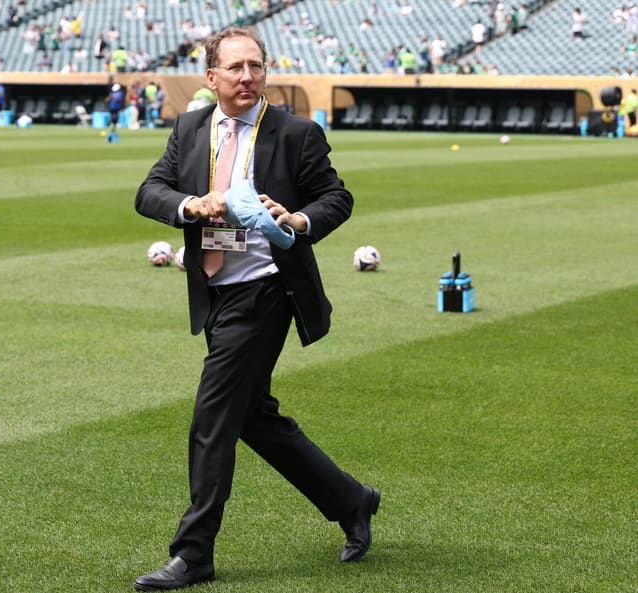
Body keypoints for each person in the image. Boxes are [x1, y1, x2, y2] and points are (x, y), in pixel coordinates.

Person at [133, 26, 379, 591]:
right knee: (252, 418)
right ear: (211, 76)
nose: (248, 77)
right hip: (215, 291)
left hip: (267, 292)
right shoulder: (192, 127)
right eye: (236, 68)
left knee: (213, 418)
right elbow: (149, 191)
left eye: (257, 66)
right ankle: (351, 499)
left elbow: (336, 198)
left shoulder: (295, 133)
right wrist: (190, 205)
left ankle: (193, 554)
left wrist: (296, 220)